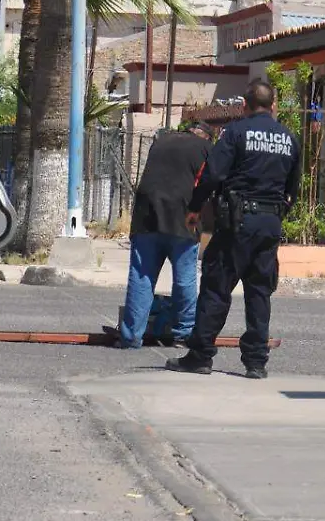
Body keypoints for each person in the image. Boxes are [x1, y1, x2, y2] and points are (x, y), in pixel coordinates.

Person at [166, 79, 301, 379]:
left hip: (237, 223)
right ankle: (256, 362)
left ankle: (200, 355)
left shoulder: (236, 133)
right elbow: (293, 189)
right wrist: (274, 214)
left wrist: (195, 207)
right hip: (269, 224)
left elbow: (212, 175)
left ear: (244, 106)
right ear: (273, 105)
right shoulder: (289, 138)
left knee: (216, 287)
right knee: (259, 292)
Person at [115, 122, 214, 349]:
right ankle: (183, 334)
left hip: (146, 214)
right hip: (183, 216)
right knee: (185, 277)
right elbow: (211, 181)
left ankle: (131, 337)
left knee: (141, 276)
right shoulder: (206, 148)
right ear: (207, 137)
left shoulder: (161, 140)